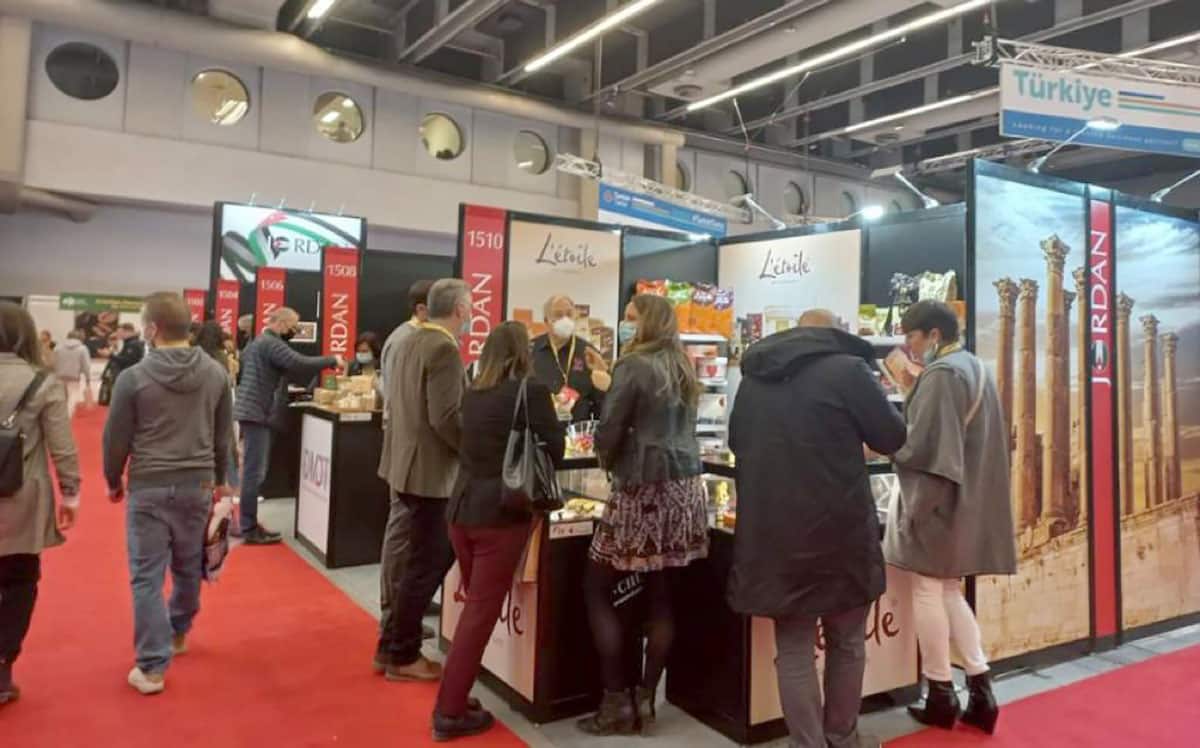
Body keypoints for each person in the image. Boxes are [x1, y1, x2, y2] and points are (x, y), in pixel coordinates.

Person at [728, 309, 907, 748]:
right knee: (847, 640)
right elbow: (892, 436)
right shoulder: (848, 370)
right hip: (839, 528)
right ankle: (842, 738)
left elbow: (737, 442)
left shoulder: (755, 376)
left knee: (793, 648)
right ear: (835, 333)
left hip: (775, 532)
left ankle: (806, 744)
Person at [577, 294, 708, 736]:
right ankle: (647, 699)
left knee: (596, 587)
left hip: (641, 489)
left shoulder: (632, 365)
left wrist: (606, 459)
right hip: (684, 490)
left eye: (631, 318)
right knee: (661, 597)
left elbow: (610, 429)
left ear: (648, 323)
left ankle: (616, 701)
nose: (625, 323)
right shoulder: (682, 365)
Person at [884, 300, 1017, 735]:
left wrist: (887, 446)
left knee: (927, 590)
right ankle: (981, 688)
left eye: (912, 336)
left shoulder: (942, 375)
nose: (909, 346)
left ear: (934, 334)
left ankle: (941, 691)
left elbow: (925, 448)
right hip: (966, 499)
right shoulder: (973, 367)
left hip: (938, 501)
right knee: (948, 591)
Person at [433, 321, 565, 741]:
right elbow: (556, 450)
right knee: (479, 615)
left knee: (474, 610)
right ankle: (449, 711)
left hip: (462, 509)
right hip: (501, 515)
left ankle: (456, 696)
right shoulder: (531, 392)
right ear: (523, 352)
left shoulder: (474, 393)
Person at [101, 293, 235, 695]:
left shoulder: (133, 378)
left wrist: (113, 480)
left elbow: (115, 438)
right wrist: (222, 480)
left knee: (146, 576)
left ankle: (152, 667)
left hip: (149, 484)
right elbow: (223, 435)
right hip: (198, 484)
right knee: (189, 565)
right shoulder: (215, 373)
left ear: (151, 329)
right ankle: (178, 630)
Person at [376, 279, 470, 681]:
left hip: (405, 464)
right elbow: (446, 418)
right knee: (426, 565)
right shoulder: (444, 349)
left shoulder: (406, 340)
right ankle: (403, 654)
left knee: (416, 561)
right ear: (459, 309)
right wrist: (474, 451)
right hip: (432, 473)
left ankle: (390, 646)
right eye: (470, 306)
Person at [0, 303, 80, 708]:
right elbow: (62, 446)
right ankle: (2, 665)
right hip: (22, 497)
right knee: (19, 580)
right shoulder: (42, 382)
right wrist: (71, 493)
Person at [234, 307, 341, 544]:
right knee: (255, 472)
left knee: (254, 471)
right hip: (258, 412)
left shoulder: (258, 342)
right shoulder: (271, 343)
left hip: (253, 410)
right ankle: (248, 528)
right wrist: (332, 359)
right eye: (293, 326)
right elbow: (298, 363)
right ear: (281, 323)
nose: (294, 331)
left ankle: (248, 523)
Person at [374, 279, 433, 663]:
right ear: (422, 308)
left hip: (411, 444)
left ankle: (405, 610)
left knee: (412, 531)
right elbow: (397, 397)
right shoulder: (404, 341)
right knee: (401, 528)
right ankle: (392, 614)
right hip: (406, 445)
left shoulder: (416, 339)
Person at [530, 295, 611, 423]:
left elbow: (600, 400)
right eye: (558, 315)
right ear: (546, 321)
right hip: (538, 429)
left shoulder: (588, 352)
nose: (565, 319)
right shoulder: (530, 350)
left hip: (577, 430)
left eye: (569, 314)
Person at [196, 321, 240, 495]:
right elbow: (228, 381)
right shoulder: (222, 357)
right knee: (226, 441)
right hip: (221, 401)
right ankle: (231, 484)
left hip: (199, 405)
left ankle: (207, 483)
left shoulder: (195, 354)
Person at [53, 330, 92, 417]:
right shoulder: (83, 348)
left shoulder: (58, 347)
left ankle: (59, 415)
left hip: (59, 376)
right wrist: (87, 378)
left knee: (60, 398)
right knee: (72, 397)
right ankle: (68, 416)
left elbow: (53, 362)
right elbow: (86, 365)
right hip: (74, 376)